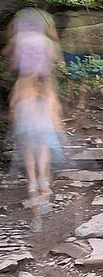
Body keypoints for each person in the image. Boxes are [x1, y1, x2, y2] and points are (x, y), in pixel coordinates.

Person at [9, 75, 65, 231]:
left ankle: (32, 181)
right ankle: (42, 179)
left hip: (26, 126)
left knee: (28, 152)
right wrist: (61, 131)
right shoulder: (48, 92)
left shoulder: (23, 88)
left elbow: (14, 107)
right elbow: (55, 115)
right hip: (43, 127)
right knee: (43, 151)